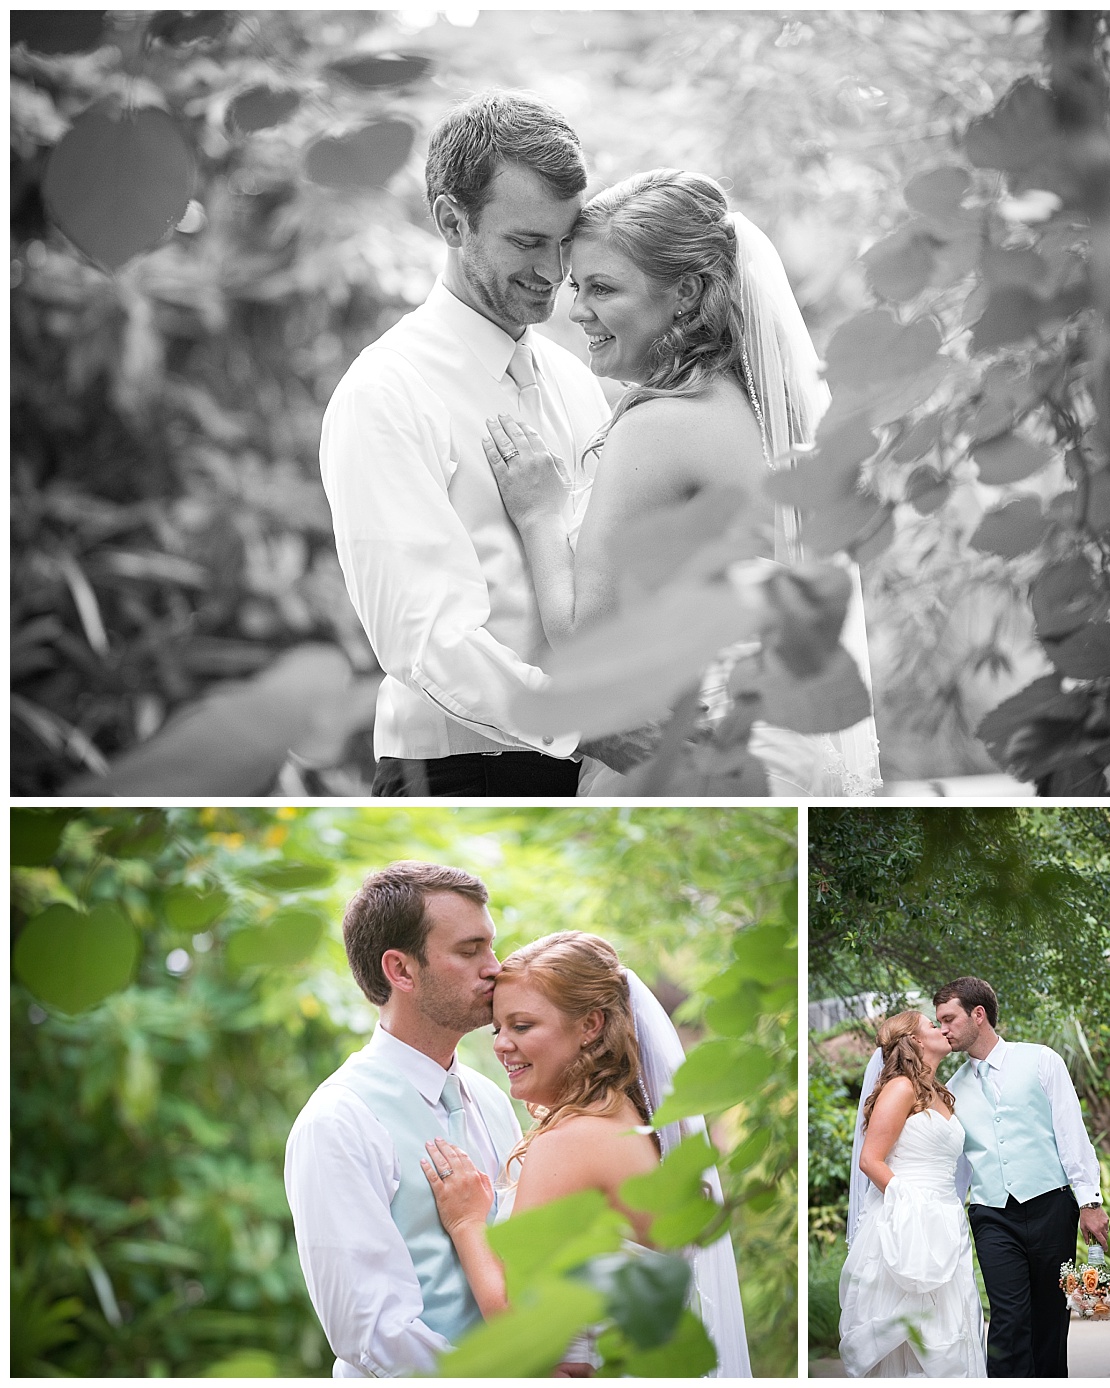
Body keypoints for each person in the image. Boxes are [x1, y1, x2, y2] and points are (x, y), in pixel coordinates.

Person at [481, 169, 881, 795]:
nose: (577, 309)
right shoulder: (758, 413)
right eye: (577, 286)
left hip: (687, 758)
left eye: (603, 289)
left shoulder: (660, 427)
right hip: (786, 751)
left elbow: (585, 640)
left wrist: (539, 515)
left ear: (687, 293)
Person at [320, 91, 647, 797]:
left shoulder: (572, 378)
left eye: (563, 243)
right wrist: (593, 727)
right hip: (461, 777)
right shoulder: (385, 392)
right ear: (451, 221)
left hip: (592, 775)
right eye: (526, 243)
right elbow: (425, 638)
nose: (554, 273)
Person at [420, 931, 753, 1377]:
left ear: (590, 1025)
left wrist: (466, 1222)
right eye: (498, 1028)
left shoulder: (570, 1142)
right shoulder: (631, 1122)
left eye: (522, 1026)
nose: (501, 1043)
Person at [284, 861, 523, 1375]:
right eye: (469, 950)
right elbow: (372, 1333)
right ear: (401, 970)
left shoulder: (493, 1100)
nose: (495, 968)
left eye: (491, 945)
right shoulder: (337, 1122)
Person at [934, 976, 1107, 1378]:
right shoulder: (952, 1089)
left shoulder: (1041, 1060)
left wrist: (1090, 1202)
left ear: (978, 1015)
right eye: (939, 1021)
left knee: (1050, 1318)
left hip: (1051, 1204)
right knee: (1009, 1320)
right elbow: (957, 1162)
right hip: (992, 1214)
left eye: (948, 1018)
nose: (942, 1029)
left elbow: (1071, 1133)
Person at [839, 1011, 986, 1378]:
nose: (942, 1029)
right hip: (906, 1222)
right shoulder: (900, 1087)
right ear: (917, 1041)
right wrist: (912, 1207)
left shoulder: (940, 1093)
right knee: (909, 1333)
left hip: (946, 1221)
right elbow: (870, 1160)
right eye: (933, 1025)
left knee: (953, 1324)